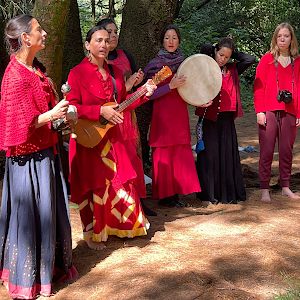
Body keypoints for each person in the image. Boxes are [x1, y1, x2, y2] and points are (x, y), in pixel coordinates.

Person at [0, 15, 77, 299]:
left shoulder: (35, 69)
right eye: (38, 30)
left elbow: (41, 113)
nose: (43, 33)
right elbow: (19, 124)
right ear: (24, 38)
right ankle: (27, 279)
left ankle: (50, 269)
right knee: (31, 218)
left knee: (48, 214)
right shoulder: (15, 75)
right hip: (27, 161)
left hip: (46, 152)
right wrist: (52, 114)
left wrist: (60, 116)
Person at [67, 25, 156, 250]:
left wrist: (145, 93)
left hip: (113, 137)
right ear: (88, 45)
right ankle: (93, 233)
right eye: (98, 40)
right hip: (89, 138)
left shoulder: (116, 72)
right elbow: (71, 107)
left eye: (107, 40)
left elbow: (123, 105)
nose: (104, 45)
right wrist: (99, 111)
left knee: (121, 180)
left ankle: (122, 227)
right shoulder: (77, 73)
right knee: (93, 184)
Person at [96, 18, 156, 216]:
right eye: (108, 33)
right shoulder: (99, 62)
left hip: (129, 113)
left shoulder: (125, 55)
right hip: (110, 117)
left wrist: (138, 82)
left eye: (115, 32)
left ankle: (140, 199)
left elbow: (134, 89)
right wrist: (128, 85)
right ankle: (120, 203)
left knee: (136, 156)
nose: (112, 36)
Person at [143, 24, 201, 207]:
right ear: (162, 41)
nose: (171, 41)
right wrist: (170, 86)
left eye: (174, 38)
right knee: (163, 152)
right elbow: (149, 93)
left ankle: (177, 193)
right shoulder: (155, 65)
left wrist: (201, 100)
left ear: (179, 41)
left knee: (179, 152)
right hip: (162, 113)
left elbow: (192, 88)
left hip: (179, 111)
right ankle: (166, 195)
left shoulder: (185, 63)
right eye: (167, 37)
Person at [196, 37, 255, 204]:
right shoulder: (206, 65)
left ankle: (227, 192)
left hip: (226, 120)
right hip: (209, 118)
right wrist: (215, 48)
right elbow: (203, 48)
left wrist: (233, 52)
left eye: (226, 57)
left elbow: (249, 59)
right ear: (215, 52)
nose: (222, 59)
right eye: (220, 54)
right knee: (210, 156)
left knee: (226, 155)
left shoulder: (233, 68)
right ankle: (209, 193)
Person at [254, 23, 300, 202]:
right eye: (279, 36)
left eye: (286, 36)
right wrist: (260, 111)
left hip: (290, 111)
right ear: (275, 38)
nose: (282, 39)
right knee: (266, 150)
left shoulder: (297, 62)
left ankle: (285, 186)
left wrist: (299, 113)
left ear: (291, 39)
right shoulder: (267, 59)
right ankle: (265, 187)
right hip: (269, 110)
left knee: (286, 150)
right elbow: (258, 87)